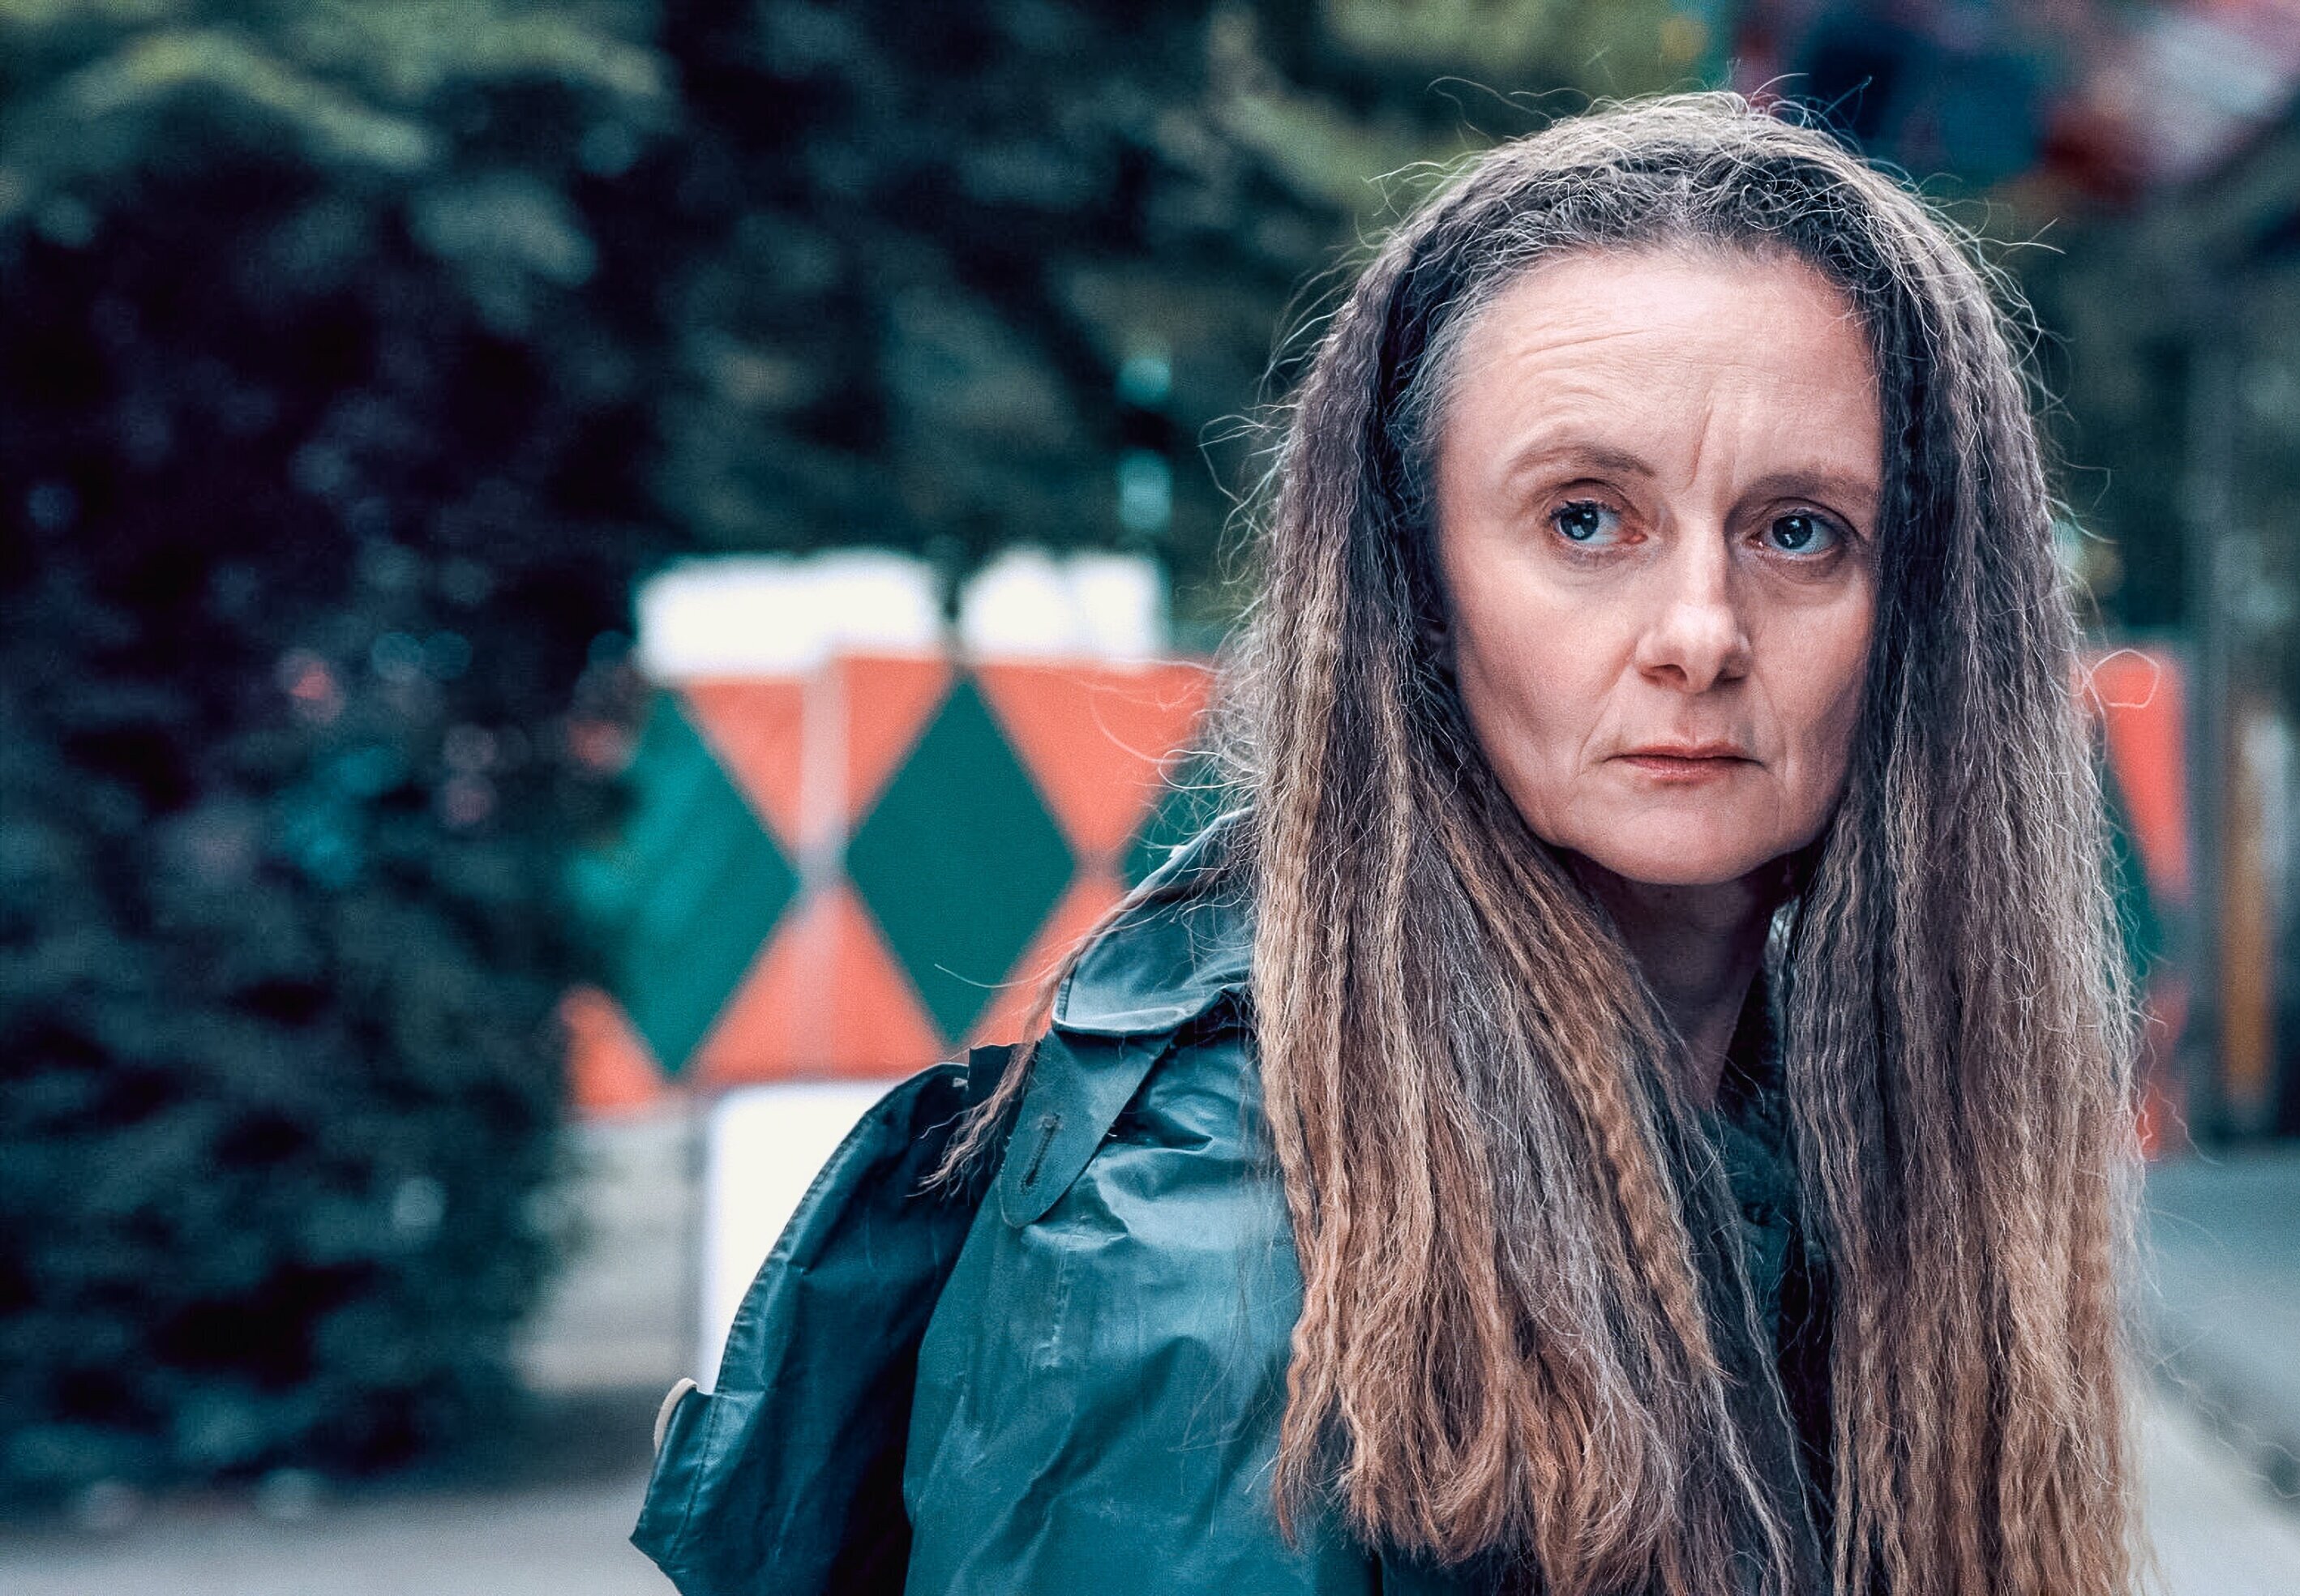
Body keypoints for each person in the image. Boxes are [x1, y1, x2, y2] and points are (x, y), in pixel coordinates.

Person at [637, 93, 2137, 1596]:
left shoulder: (1810, 1140)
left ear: (1925, 616)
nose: (1700, 631)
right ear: (1415, 585)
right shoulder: (1220, 1246)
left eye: (1798, 530)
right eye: (1586, 521)